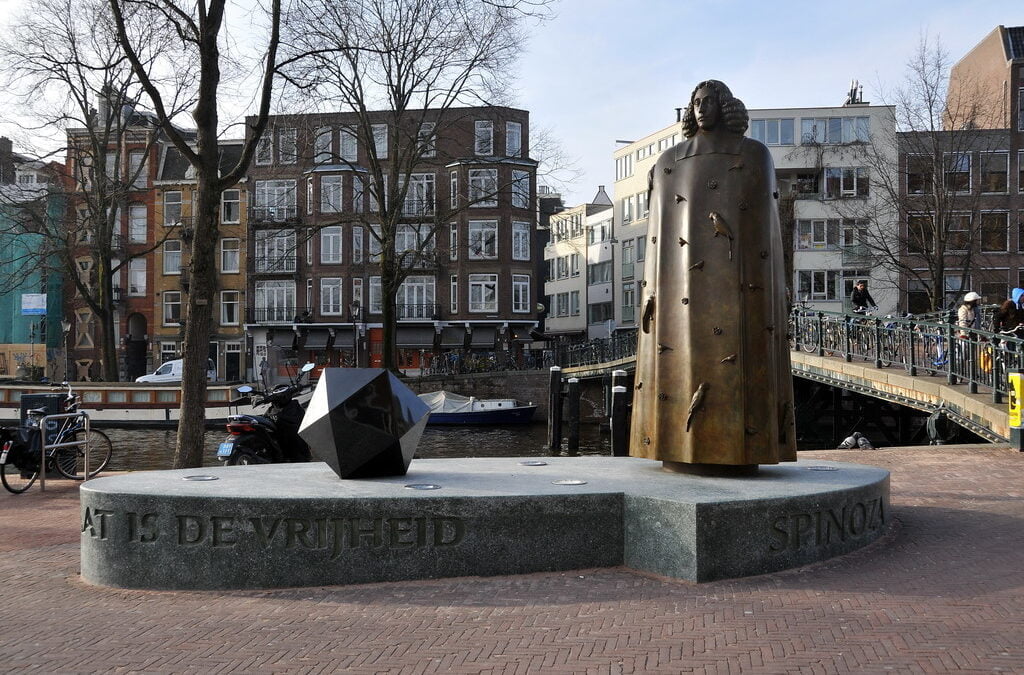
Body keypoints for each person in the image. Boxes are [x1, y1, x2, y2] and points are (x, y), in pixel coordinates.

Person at [630, 80, 796, 469]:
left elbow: (763, 230)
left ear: (725, 105)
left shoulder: (753, 154)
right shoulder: (670, 160)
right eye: (696, 102)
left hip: (740, 288)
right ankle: (675, 444)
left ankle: (742, 446)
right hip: (679, 292)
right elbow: (660, 236)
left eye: (709, 101)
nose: (702, 108)